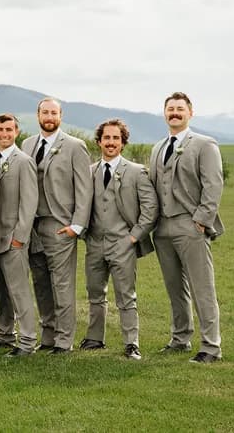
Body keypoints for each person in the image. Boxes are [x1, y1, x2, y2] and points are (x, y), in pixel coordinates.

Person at [150, 92, 224, 364]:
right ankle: (180, 339)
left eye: (180, 109)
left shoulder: (205, 144)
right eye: (170, 109)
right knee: (174, 288)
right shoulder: (158, 147)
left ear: (190, 113)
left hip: (190, 225)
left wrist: (202, 221)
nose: (175, 113)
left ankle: (211, 347)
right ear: (164, 113)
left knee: (202, 288)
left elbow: (213, 185)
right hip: (162, 228)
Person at [20, 98, 93, 354]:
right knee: (41, 284)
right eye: (45, 112)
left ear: (61, 116)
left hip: (59, 225)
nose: (49, 116)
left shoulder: (74, 146)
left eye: (54, 112)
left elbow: (85, 188)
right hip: (32, 226)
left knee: (62, 286)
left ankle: (64, 341)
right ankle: (48, 336)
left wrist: (77, 225)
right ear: (37, 114)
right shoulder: (27, 144)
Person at [82, 119, 158, 360]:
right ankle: (95, 338)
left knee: (126, 294)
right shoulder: (89, 171)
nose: (111, 142)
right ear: (99, 142)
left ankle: (131, 343)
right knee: (95, 292)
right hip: (94, 243)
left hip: (123, 243)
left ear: (123, 143)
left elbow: (151, 208)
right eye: (107, 138)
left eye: (116, 138)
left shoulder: (136, 172)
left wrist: (134, 237)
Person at [0, 114, 39, 357]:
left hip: (13, 239)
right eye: (0, 129)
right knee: (0, 292)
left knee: (19, 292)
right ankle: (5, 334)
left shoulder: (24, 161)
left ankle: (27, 341)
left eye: (9, 129)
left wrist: (20, 237)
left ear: (16, 132)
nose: (4, 134)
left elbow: (29, 204)